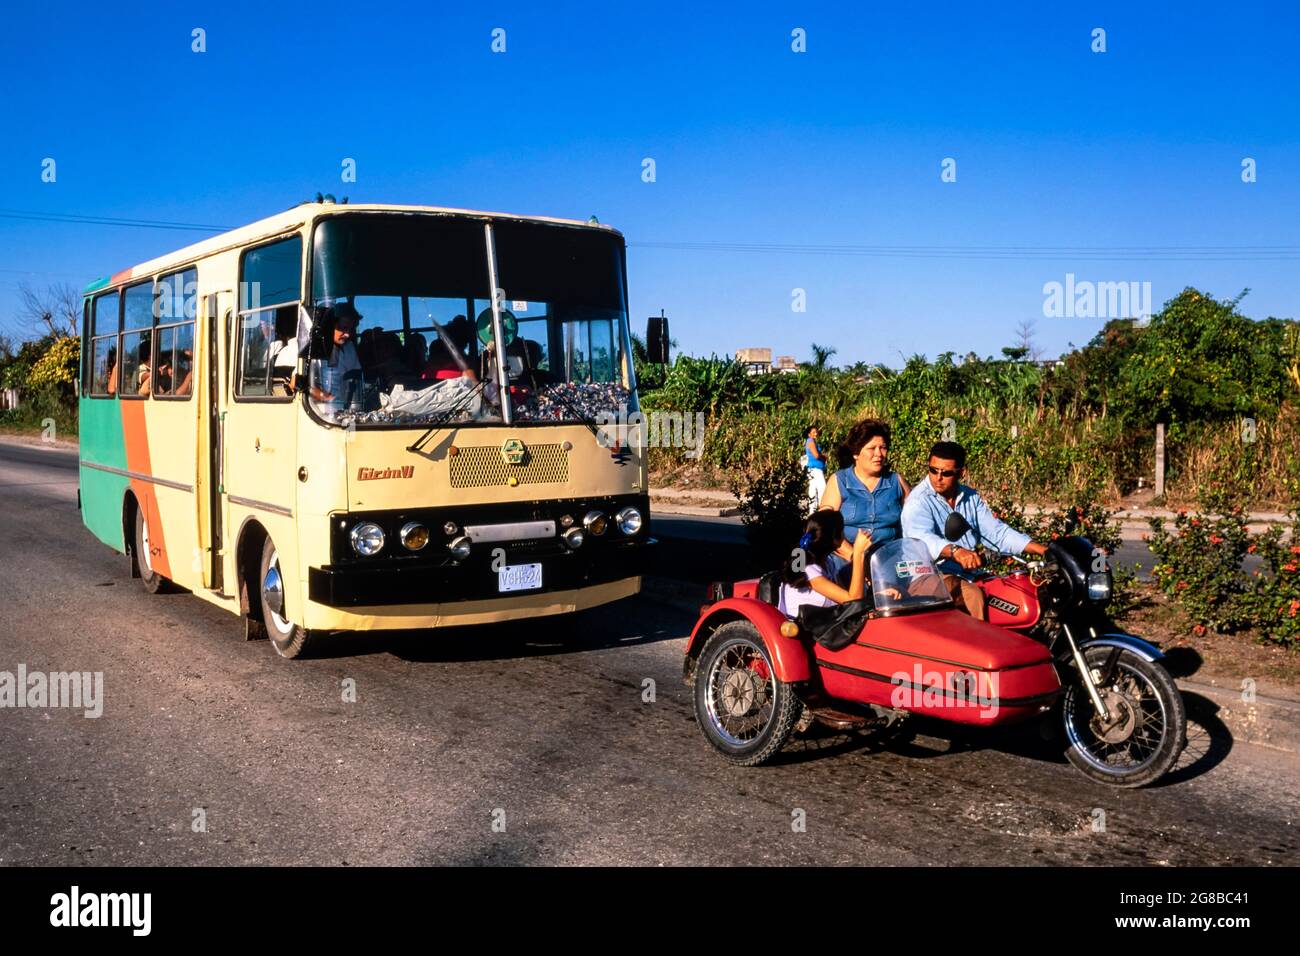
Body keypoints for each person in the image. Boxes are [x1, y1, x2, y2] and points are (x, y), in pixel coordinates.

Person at [900, 440, 1048, 620]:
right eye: (933, 470)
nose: (937, 478)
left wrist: (1044, 550)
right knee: (972, 596)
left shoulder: (969, 497)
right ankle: (981, 647)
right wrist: (956, 551)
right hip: (927, 576)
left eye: (946, 473)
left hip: (968, 574)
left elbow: (996, 533)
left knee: (1017, 591)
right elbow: (921, 539)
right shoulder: (919, 501)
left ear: (962, 472)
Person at [819, 418, 911, 548]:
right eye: (872, 448)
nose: (879, 454)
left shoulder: (896, 481)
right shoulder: (839, 481)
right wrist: (854, 557)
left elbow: (915, 517)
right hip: (847, 559)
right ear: (856, 453)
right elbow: (825, 527)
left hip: (889, 558)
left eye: (883, 448)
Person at [778, 509, 871, 618]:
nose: (844, 535)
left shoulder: (827, 563)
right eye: (841, 530)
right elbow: (853, 602)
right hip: (804, 631)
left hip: (825, 625)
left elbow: (845, 599)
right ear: (834, 537)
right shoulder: (808, 569)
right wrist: (858, 553)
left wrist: (877, 596)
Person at [309, 303, 363, 419]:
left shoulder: (349, 348)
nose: (347, 334)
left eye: (350, 329)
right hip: (317, 414)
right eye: (343, 328)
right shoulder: (311, 349)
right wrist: (320, 394)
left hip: (344, 411)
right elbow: (297, 384)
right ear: (329, 326)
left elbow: (354, 380)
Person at [802, 425, 827, 515]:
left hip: (812, 469)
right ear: (809, 434)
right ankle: (822, 510)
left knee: (813, 489)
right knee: (822, 488)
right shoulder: (811, 442)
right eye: (813, 432)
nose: (816, 434)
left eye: (816, 432)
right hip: (815, 469)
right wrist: (823, 456)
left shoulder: (811, 442)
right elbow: (816, 455)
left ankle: (812, 512)